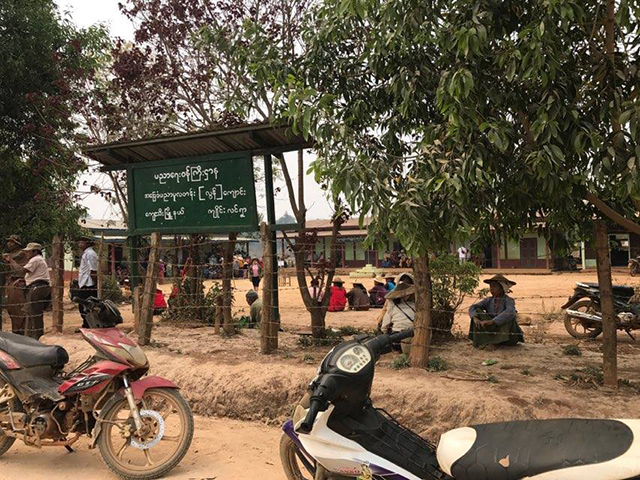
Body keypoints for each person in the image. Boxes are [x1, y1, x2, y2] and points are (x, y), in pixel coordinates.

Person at [4, 243, 50, 339]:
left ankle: (37, 336)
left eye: (28, 252)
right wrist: (23, 280)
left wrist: (11, 260)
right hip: (36, 286)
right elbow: (33, 274)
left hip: (37, 288)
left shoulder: (35, 259)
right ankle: (34, 335)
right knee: (32, 313)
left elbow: (21, 271)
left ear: (35, 252)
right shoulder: (37, 260)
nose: (26, 253)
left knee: (35, 314)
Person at [468, 274, 524, 349]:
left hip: (508, 336)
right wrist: (475, 318)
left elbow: (510, 312)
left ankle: (496, 343)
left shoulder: (508, 300)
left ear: (502, 288)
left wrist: (493, 321)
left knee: (509, 316)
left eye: (494, 286)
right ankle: (480, 340)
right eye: (491, 286)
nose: (491, 289)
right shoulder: (488, 300)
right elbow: (473, 307)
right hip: (493, 331)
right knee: (477, 311)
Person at [1, 235, 28, 335]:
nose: (9, 244)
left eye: (11, 242)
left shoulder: (22, 254)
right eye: (8, 242)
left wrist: (10, 260)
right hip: (9, 284)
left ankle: (21, 331)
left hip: (18, 284)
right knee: (11, 308)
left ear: (17, 244)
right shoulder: (9, 255)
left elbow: (21, 271)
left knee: (19, 308)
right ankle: (15, 330)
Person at [380, 283, 416, 354]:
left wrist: (385, 333)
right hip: (413, 336)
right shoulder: (415, 306)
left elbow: (384, 326)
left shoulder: (392, 307)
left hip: (397, 339)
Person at [77, 236, 99, 329]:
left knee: (87, 305)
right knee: (82, 305)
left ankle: (88, 324)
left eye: (81, 242)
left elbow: (93, 270)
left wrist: (96, 284)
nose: (79, 244)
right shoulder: (86, 253)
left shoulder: (90, 254)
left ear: (87, 243)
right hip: (84, 282)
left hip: (88, 284)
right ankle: (86, 323)